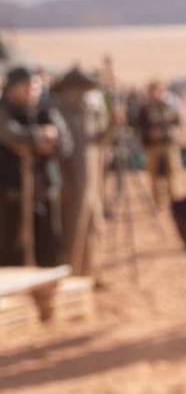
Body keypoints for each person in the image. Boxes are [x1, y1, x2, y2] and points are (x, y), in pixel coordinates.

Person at [0, 66, 71, 267]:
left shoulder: (46, 109)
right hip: (11, 192)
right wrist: (40, 137)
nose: (31, 91)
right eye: (26, 87)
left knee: (49, 246)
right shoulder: (4, 109)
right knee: (12, 248)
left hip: (44, 189)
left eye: (34, 86)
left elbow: (65, 142)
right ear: (12, 89)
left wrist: (48, 141)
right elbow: (10, 134)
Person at [54, 67, 109, 279]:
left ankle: (93, 270)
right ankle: (74, 273)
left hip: (92, 181)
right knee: (74, 229)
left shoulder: (91, 110)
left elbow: (100, 138)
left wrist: (113, 122)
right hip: (72, 182)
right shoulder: (60, 112)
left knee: (95, 226)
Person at [134, 80, 182, 208]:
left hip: (169, 145)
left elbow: (177, 123)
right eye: (155, 90)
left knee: (172, 174)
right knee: (154, 177)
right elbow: (139, 127)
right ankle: (158, 203)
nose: (158, 93)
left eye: (160, 90)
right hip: (152, 147)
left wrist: (171, 133)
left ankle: (175, 203)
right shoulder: (145, 109)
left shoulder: (170, 107)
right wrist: (149, 134)